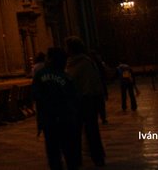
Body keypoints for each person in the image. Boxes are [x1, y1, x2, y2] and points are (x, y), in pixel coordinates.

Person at [33, 47, 81, 170]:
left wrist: (40, 122)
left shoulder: (39, 75)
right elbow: (73, 98)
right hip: (66, 119)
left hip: (49, 120)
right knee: (70, 152)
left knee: (53, 154)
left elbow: (37, 98)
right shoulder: (66, 76)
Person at [65, 36, 106, 167]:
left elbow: (94, 83)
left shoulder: (86, 62)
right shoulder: (69, 63)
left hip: (87, 101)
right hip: (75, 103)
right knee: (74, 132)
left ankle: (97, 157)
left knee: (91, 131)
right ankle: (76, 160)